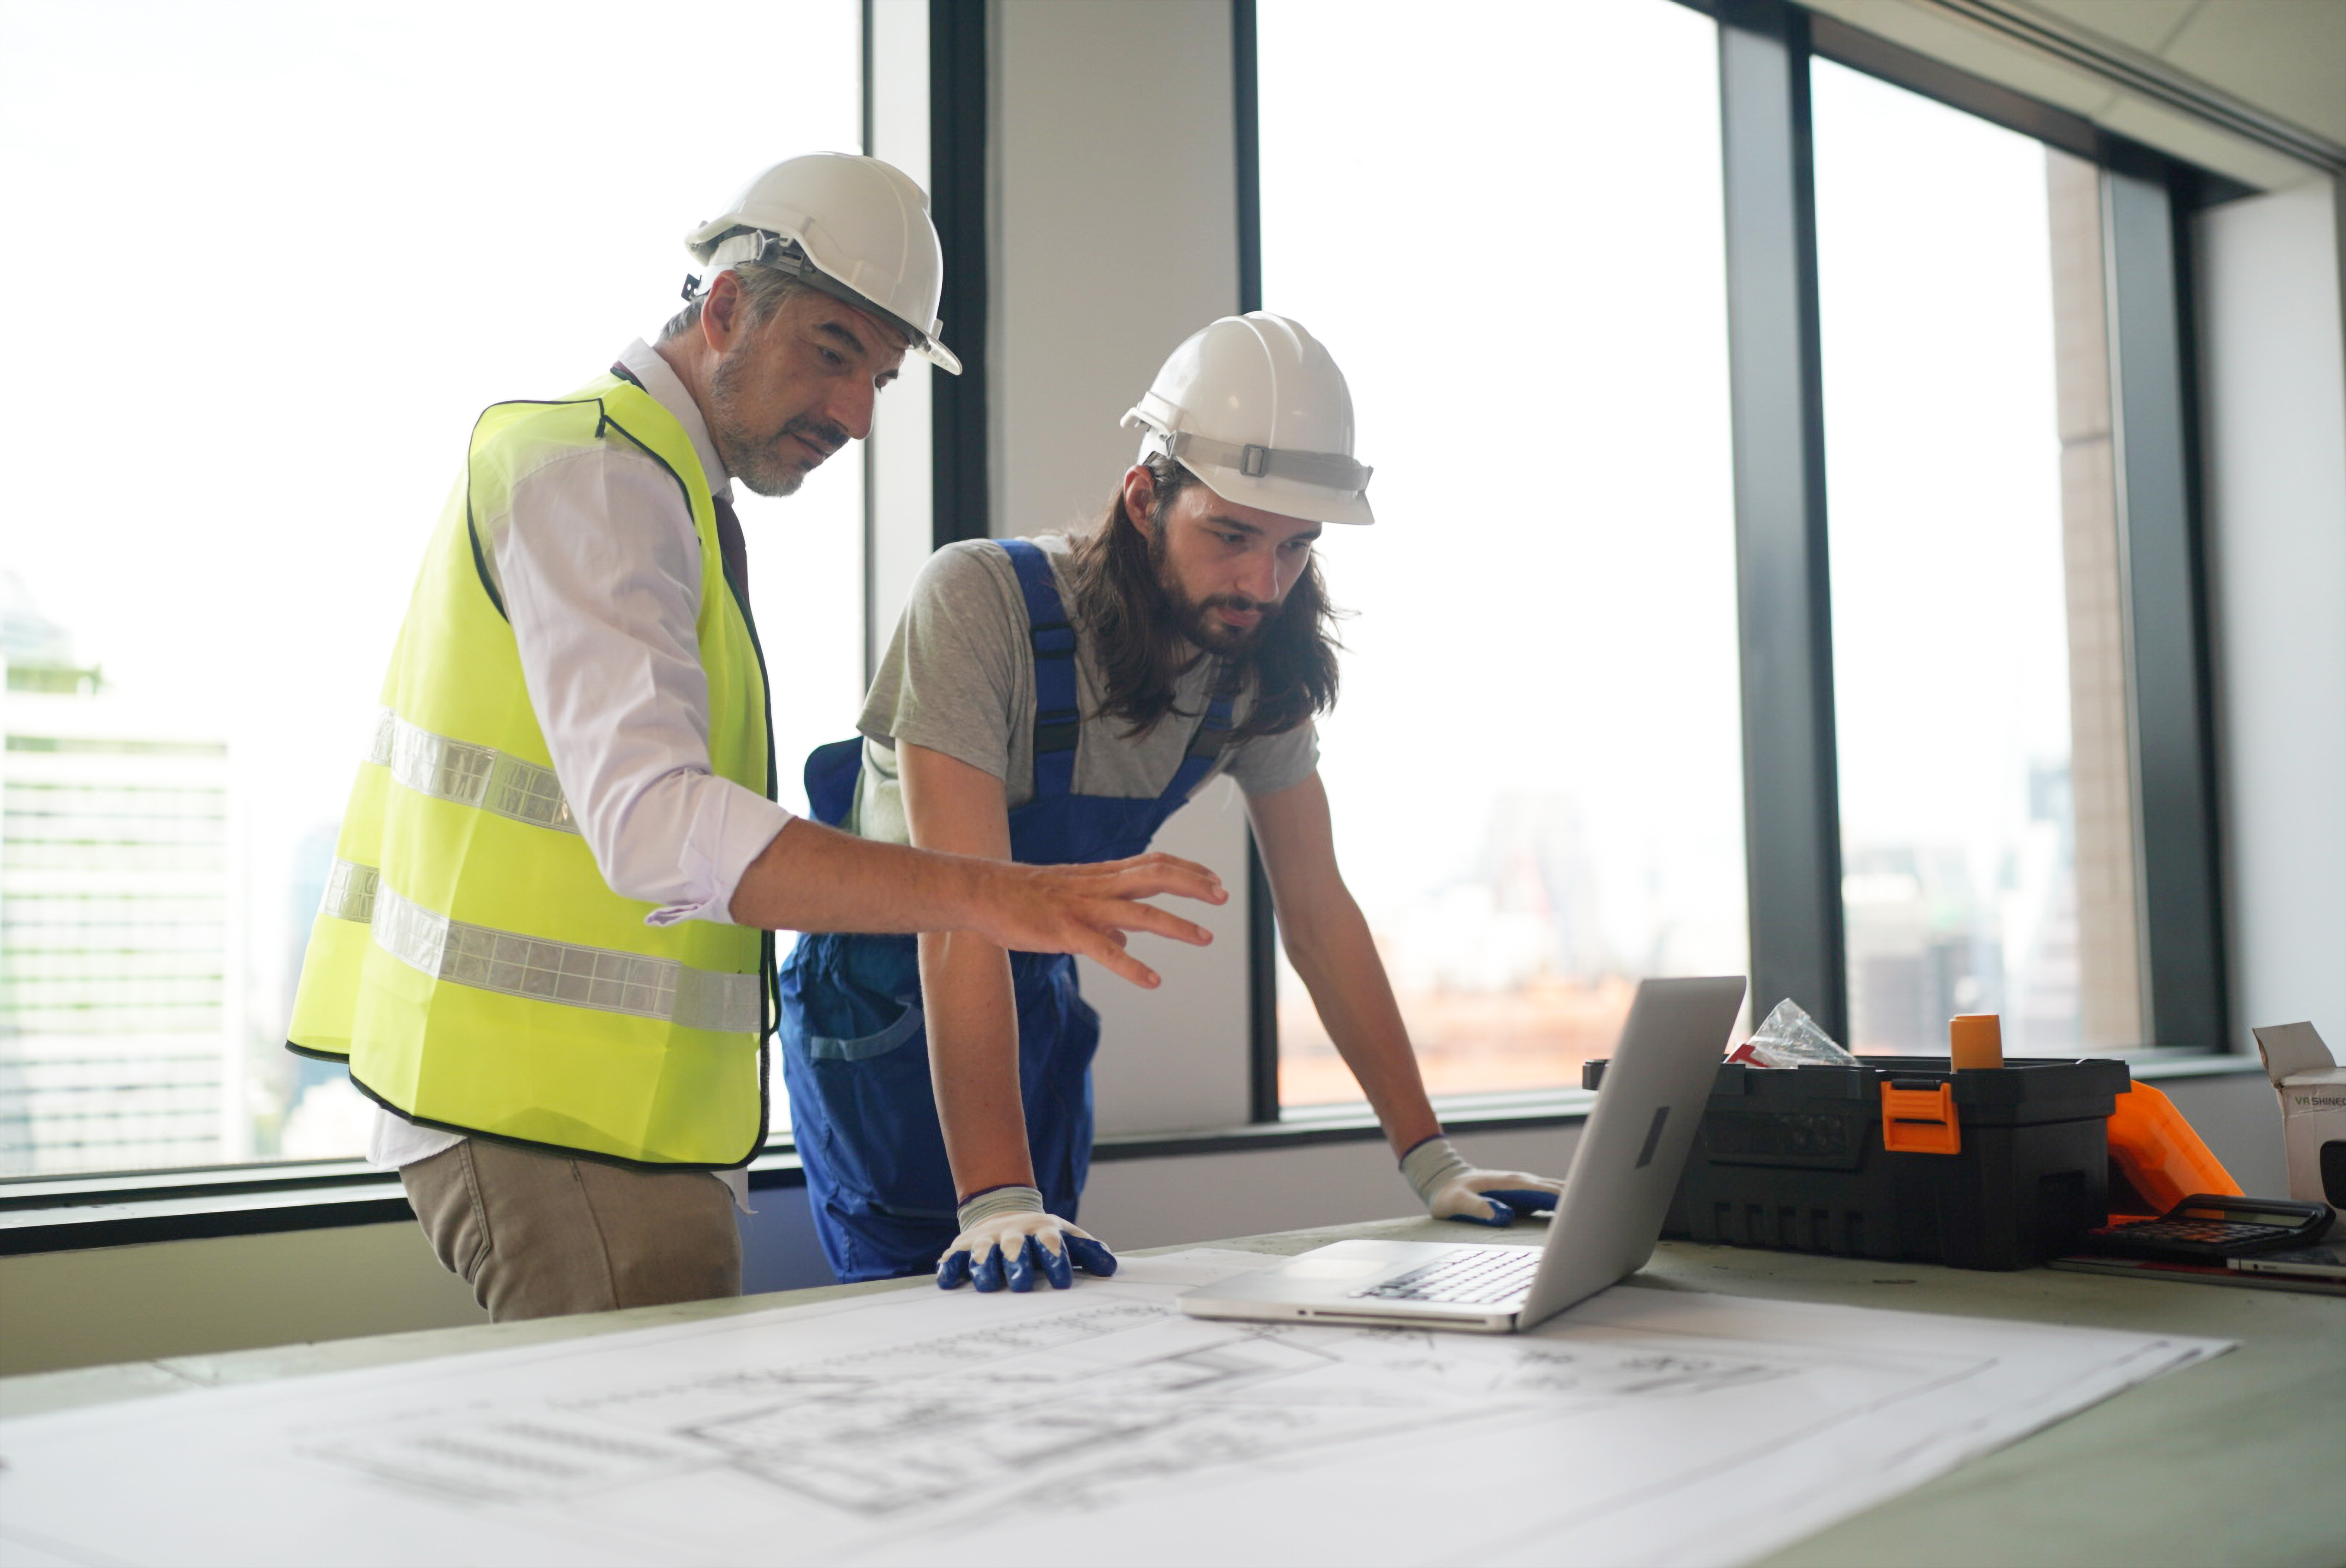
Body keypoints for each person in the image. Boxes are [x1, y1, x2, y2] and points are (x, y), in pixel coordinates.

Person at [285, 155, 1224, 1323]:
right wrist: (990, 896)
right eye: (832, 354)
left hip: (603, 1121)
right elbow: (656, 826)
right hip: (549, 1121)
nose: (855, 415)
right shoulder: (597, 475)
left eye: (879, 377)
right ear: (725, 307)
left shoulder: (671, 490)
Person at [780, 312, 1566, 1291]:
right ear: (1146, 498)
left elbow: (1320, 915)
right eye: (1231, 535)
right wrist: (994, 1197)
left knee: (1047, 1342)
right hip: (890, 1020)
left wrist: (1433, 1161)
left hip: (1033, 1019)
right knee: (919, 1332)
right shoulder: (979, 604)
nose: (1259, 584)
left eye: (1293, 549)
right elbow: (961, 915)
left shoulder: (1253, 665)